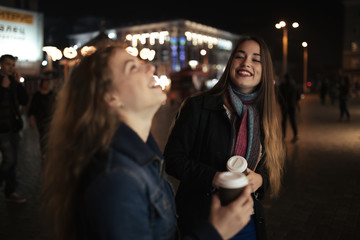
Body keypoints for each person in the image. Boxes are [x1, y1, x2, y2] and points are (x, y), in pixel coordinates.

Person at [42, 41, 254, 240]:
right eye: (132, 67)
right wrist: (215, 232)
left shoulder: (144, 157)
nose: (151, 69)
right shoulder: (117, 179)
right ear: (110, 97)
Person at [164, 35, 286, 240]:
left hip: (247, 222)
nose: (246, 63)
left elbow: (272, 168)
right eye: (240, 56)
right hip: (203, 222)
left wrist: (260, 180)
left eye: (256, 59)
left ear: (265, 70)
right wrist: (213, 177)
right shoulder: (198, 106)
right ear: (231, 63)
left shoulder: (267, 116)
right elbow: (172, 159)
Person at [0, 54, 29, 203]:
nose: (11, 68)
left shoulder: (13, 82)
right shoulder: (2, 82)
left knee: (13, 162)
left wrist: (18, 84)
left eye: (13, 65)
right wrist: (3, 89)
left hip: (14, 127)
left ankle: (10, 192)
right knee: (9, 160)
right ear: (1, 65)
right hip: (1, 129)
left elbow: (24, 100)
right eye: (7, 64)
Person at [28, 78, 55, 159]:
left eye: (48, 83)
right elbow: (32, 108)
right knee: (43, 136)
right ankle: (44, 152)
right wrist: (31, 118)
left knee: (51, 136)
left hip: (51, 119)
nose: (47, 84)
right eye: (45, 83)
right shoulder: (37, 95)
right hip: (41, 120)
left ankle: (50, 151)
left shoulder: (52, 94)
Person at [278, 73, 300, 143]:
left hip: (285, 106)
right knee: (292, 121)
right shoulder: (294, 86)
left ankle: (284, 136)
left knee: (284, 121)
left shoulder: (282, 86)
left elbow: (279, 96)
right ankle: (295, 135)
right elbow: (298, 96)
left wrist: (281, 103)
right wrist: (296, 102)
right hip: (291, 106)